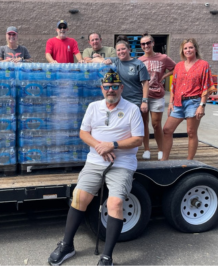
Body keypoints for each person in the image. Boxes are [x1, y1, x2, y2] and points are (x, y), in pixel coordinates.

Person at [47, 69, 144, 266]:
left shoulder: (132, 109)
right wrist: (100, 146)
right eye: (107, 87)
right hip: (95, 160)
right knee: (79, 196)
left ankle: (107, 256)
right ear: (102, 88)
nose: (111, 90)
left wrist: (113, 144)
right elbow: (84, 133)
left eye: (115, 86)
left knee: (115, 204)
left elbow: (138, 139)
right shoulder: (93, 107)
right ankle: (67, 245)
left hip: (121, 163)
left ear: (121, 88)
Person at [161, 38, 215, 161]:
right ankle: (164, 159)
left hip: (194, 102)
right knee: (167, 129)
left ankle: (189, 161)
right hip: (178, 102)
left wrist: (202, 105)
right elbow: (174, 85)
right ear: (182, 51)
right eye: (185, 48)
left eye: (190, 47)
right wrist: (170, 102)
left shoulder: (203, 65)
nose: (188, 50)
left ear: (195, 49)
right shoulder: (179, 66)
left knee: (191, 132)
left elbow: (206, 86)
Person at [138, 33, 176, 160]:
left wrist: (164, 76)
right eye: (143, 44)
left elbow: (176, 68)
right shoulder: (139, 61)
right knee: (144, 123)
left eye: (148, 43)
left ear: (153, 43)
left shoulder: (163, 58)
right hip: (143, 96)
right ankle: (147, 149)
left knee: (156, 124)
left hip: (157, 95)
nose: (146, 45)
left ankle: (160, 149)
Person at [94, 36, 150, 112]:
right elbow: (95, 59)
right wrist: (103, 61)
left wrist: (144, 101)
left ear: (129, 50)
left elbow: (145, 83)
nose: (121, 51)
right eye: (118, 50)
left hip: (135, 101)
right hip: (119, 101)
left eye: (123, 49)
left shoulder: (138, 64)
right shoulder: (116, 61)